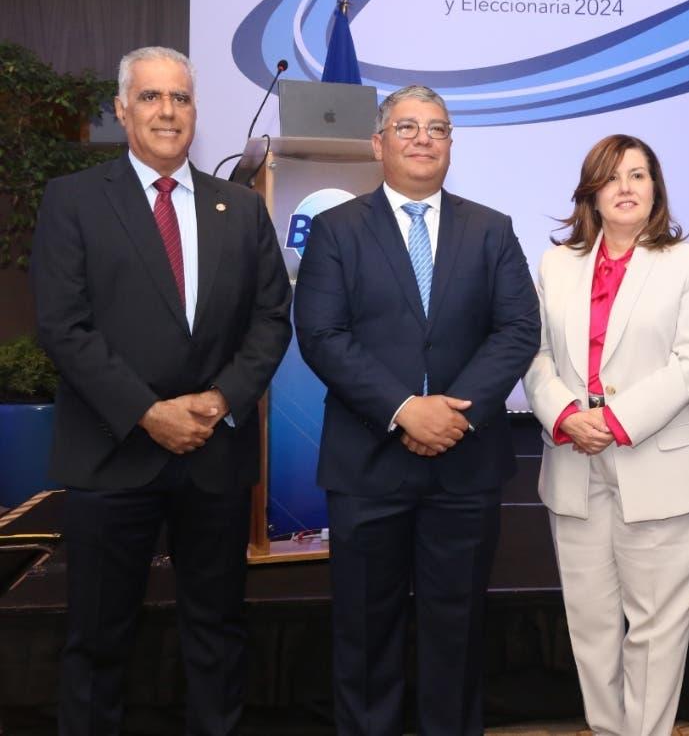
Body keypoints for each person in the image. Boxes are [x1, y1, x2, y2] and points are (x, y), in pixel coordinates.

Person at [31, 46, 292, 735]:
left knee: (217, 632)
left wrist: (221, 399)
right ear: (122, 110)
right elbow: (63, 325)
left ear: (195, 112)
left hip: (214, 450)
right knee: (98, 639)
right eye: (150, 98)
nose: (167, 112)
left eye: (179, 98)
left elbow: (270, 318)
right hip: (112, 451)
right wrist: (146, 411)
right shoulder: (74, 200)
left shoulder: (239, 207)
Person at [293, 84, 540, 736]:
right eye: (407, 126)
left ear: (451, 144)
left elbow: (516, 329)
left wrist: (454, 413)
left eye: (436, 128)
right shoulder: (336, 230)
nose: (423, 138)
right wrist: (405, 409)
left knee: (455, 628)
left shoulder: (492, 229)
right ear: (379, 144)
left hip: (465, 462)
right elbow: (321, 334)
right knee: (365, 631)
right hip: (367, 464)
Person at [522, 134, 689, 736]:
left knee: (657, 630)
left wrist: (610, 421)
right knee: (591, 627)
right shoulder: (557, 264)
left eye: (638, 175)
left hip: (659, 463)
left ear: (655, 187)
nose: (626, 187)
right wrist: (564, 415)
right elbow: (533, 355)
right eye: (613, 177)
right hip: (572, 461)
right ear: (592, 193)